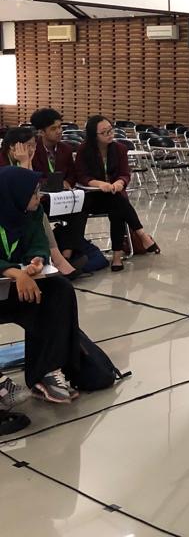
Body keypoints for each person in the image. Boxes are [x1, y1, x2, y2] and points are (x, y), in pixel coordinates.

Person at [0, 166, 82, 412]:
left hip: (15, 287)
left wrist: (36, 260)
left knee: (59, 290)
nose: (39, 197)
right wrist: (14, 272)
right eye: (34, 193)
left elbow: (39, 243)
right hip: (10, 280)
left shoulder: (32, 213)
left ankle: (45, 371)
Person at [76, 116, 159, 272]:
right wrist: (99, 184)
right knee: (119, 204)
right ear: (94, 135)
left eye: (111, 130)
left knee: (117, 207)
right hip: (92, 196)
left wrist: (120, 182)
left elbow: (125, 173)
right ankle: (141, 235)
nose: (110, 134)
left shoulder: (119, 148)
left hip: (113, 194)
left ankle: (117, 256)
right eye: (104, 132)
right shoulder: (84, 150)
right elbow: (81, 176)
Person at [1, 128, 79, 279]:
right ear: (12, 146)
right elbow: (22, 191)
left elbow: (31, 187)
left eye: (34, 145)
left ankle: (57, 255)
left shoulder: (31, 158)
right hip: (6, 208)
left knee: (71, 210)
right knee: (38, 212)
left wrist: (38, 257)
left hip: (24, 207)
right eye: (28, 145)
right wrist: (25, 162)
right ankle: (57, 258)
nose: (32, 149)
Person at [30, 108, 89, 263]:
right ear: (41, 132)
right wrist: (51, 184)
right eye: (53, 128)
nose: (59, 131)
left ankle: (68, 254)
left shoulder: (65, 149)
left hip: (62, 199)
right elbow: (30, 175)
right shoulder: (32, 150)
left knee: (81, 208)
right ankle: (56, 255)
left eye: (60, 127)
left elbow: (73, 174)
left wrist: (68, 182)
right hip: (42, 200)